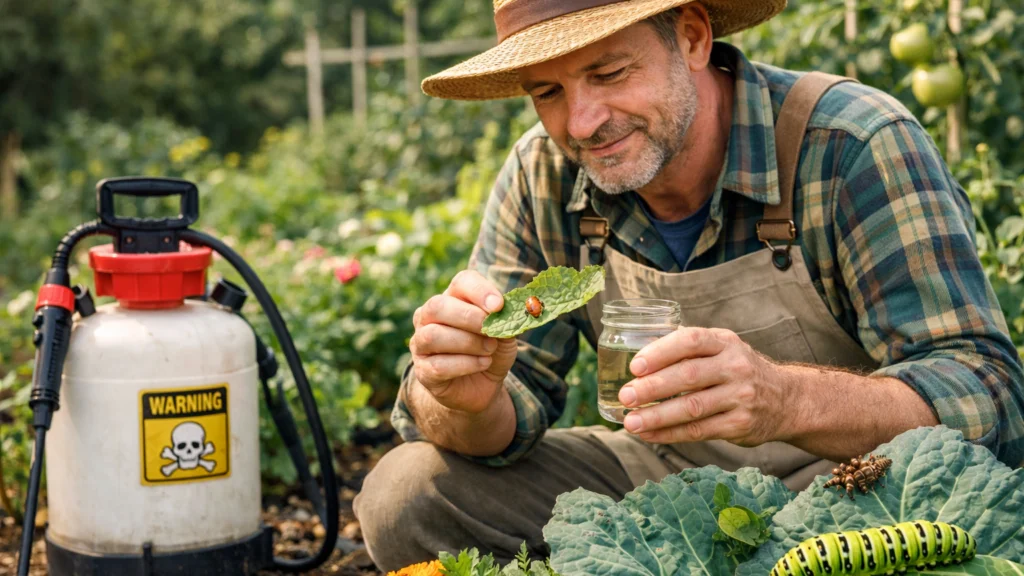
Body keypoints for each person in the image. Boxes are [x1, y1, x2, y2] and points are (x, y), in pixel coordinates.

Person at [353, 0, 1024, 571]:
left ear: (694, 38)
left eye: (608, 73)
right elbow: (501, 408)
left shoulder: (849, 142)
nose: (581, 123)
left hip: (856, 488)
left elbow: (987, 389)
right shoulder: (544, 174)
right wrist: (464, 399)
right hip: (661, 483)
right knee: (409, 493)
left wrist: (785, 399)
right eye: (547, 92)